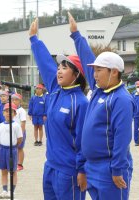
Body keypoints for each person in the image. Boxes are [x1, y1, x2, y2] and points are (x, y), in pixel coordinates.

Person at [69, 12, 133, 200]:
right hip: (92, 166)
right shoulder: (99, 90)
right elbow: (87, 54)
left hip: (109, 168)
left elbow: (122, 137)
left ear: (114, 72)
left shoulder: (121, 99)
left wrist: (117, 169)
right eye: (94, 70)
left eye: (98, 70)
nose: (94, 74)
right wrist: (76, 35)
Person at [29, 18, 88, 200]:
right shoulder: (55, 90)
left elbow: (84, 142)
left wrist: (82, 170)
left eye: (65, 67)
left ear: (76, 74)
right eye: (59, 67)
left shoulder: (81, 103)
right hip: (51, 166)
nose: (59, 70)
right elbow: (46, 64)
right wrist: (34, 39)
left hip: (69, 171)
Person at [0, 103, 23, 198]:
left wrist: (14, 147)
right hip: (2, 150)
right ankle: (4, 190)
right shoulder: (0, 125)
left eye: (11, 111)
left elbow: (19, 139)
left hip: (11, 150)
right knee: (3, 171)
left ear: (14, 114)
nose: (8, 113)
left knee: (12, 171)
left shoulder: (16, 126)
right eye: (6, 111)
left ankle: (12, 190)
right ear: (3, 113)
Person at [12, 93, 27, 171]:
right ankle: (14, 163)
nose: (14, 101)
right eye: (13, 99)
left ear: (20, 101)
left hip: (20, 133)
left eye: (16, 100)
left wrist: (21, 134)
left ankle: (20, 164)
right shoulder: (12, 110)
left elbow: (23, 123)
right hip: (12, 133)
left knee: (20, 148)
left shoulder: (21, 111)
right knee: (14, 148)